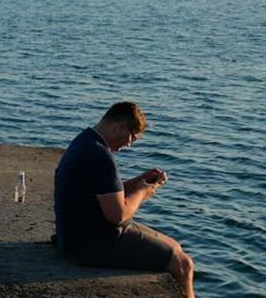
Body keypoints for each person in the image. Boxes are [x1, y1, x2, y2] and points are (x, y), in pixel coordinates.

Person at [53, 102, 195, 298]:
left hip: (75, 235)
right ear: (119, 126)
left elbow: (103, 192)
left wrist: (139, 181)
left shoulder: (85, 141)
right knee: (184, 264)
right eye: (132, 138)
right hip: (89, 245)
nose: (129, 144)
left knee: (175, 246)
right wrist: (143, 193)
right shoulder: (100, 156)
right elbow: (118, 215)